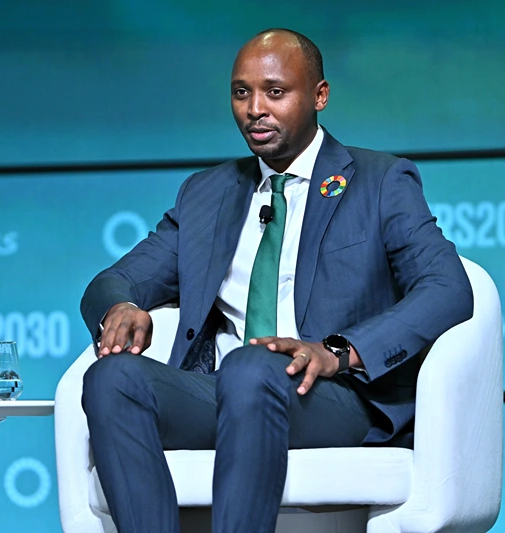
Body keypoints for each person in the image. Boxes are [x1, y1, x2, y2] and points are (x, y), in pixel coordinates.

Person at [80, 28, 473, 533]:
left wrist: (339, 350)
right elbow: (114, 281)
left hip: (333, 395)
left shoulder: (380, 181)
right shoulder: (208, 194)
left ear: (319, 96)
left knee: (253, 368)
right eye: (241, 92)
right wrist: (119, 308)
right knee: (112, 379)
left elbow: (447, 287)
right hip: (222, 391)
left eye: (275, 92)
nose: (254, 109)